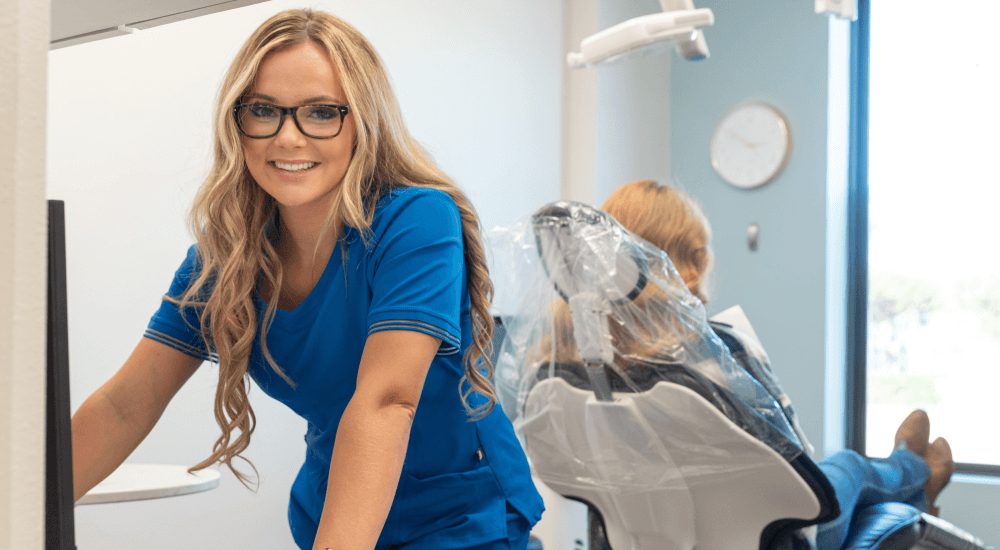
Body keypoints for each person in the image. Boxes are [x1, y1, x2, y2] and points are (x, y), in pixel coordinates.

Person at [70, 9, 543, 550]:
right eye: (264, 111)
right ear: (237, 122)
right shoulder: (226, 257)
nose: (288, 138)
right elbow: (127, 403)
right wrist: (22, 503)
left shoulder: (415, 221)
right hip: (336, 507)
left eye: (321, 113)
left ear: (362, 121)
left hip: (458, 517)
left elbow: (388, 401)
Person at [599, 179, 955, 549]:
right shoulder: (715, 349)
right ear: (692, 262)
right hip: (771, 536)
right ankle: (918, 472)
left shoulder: (580, 368)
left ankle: (913, 475)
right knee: (849, 467)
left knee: (847, 472)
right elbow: (794, 456)